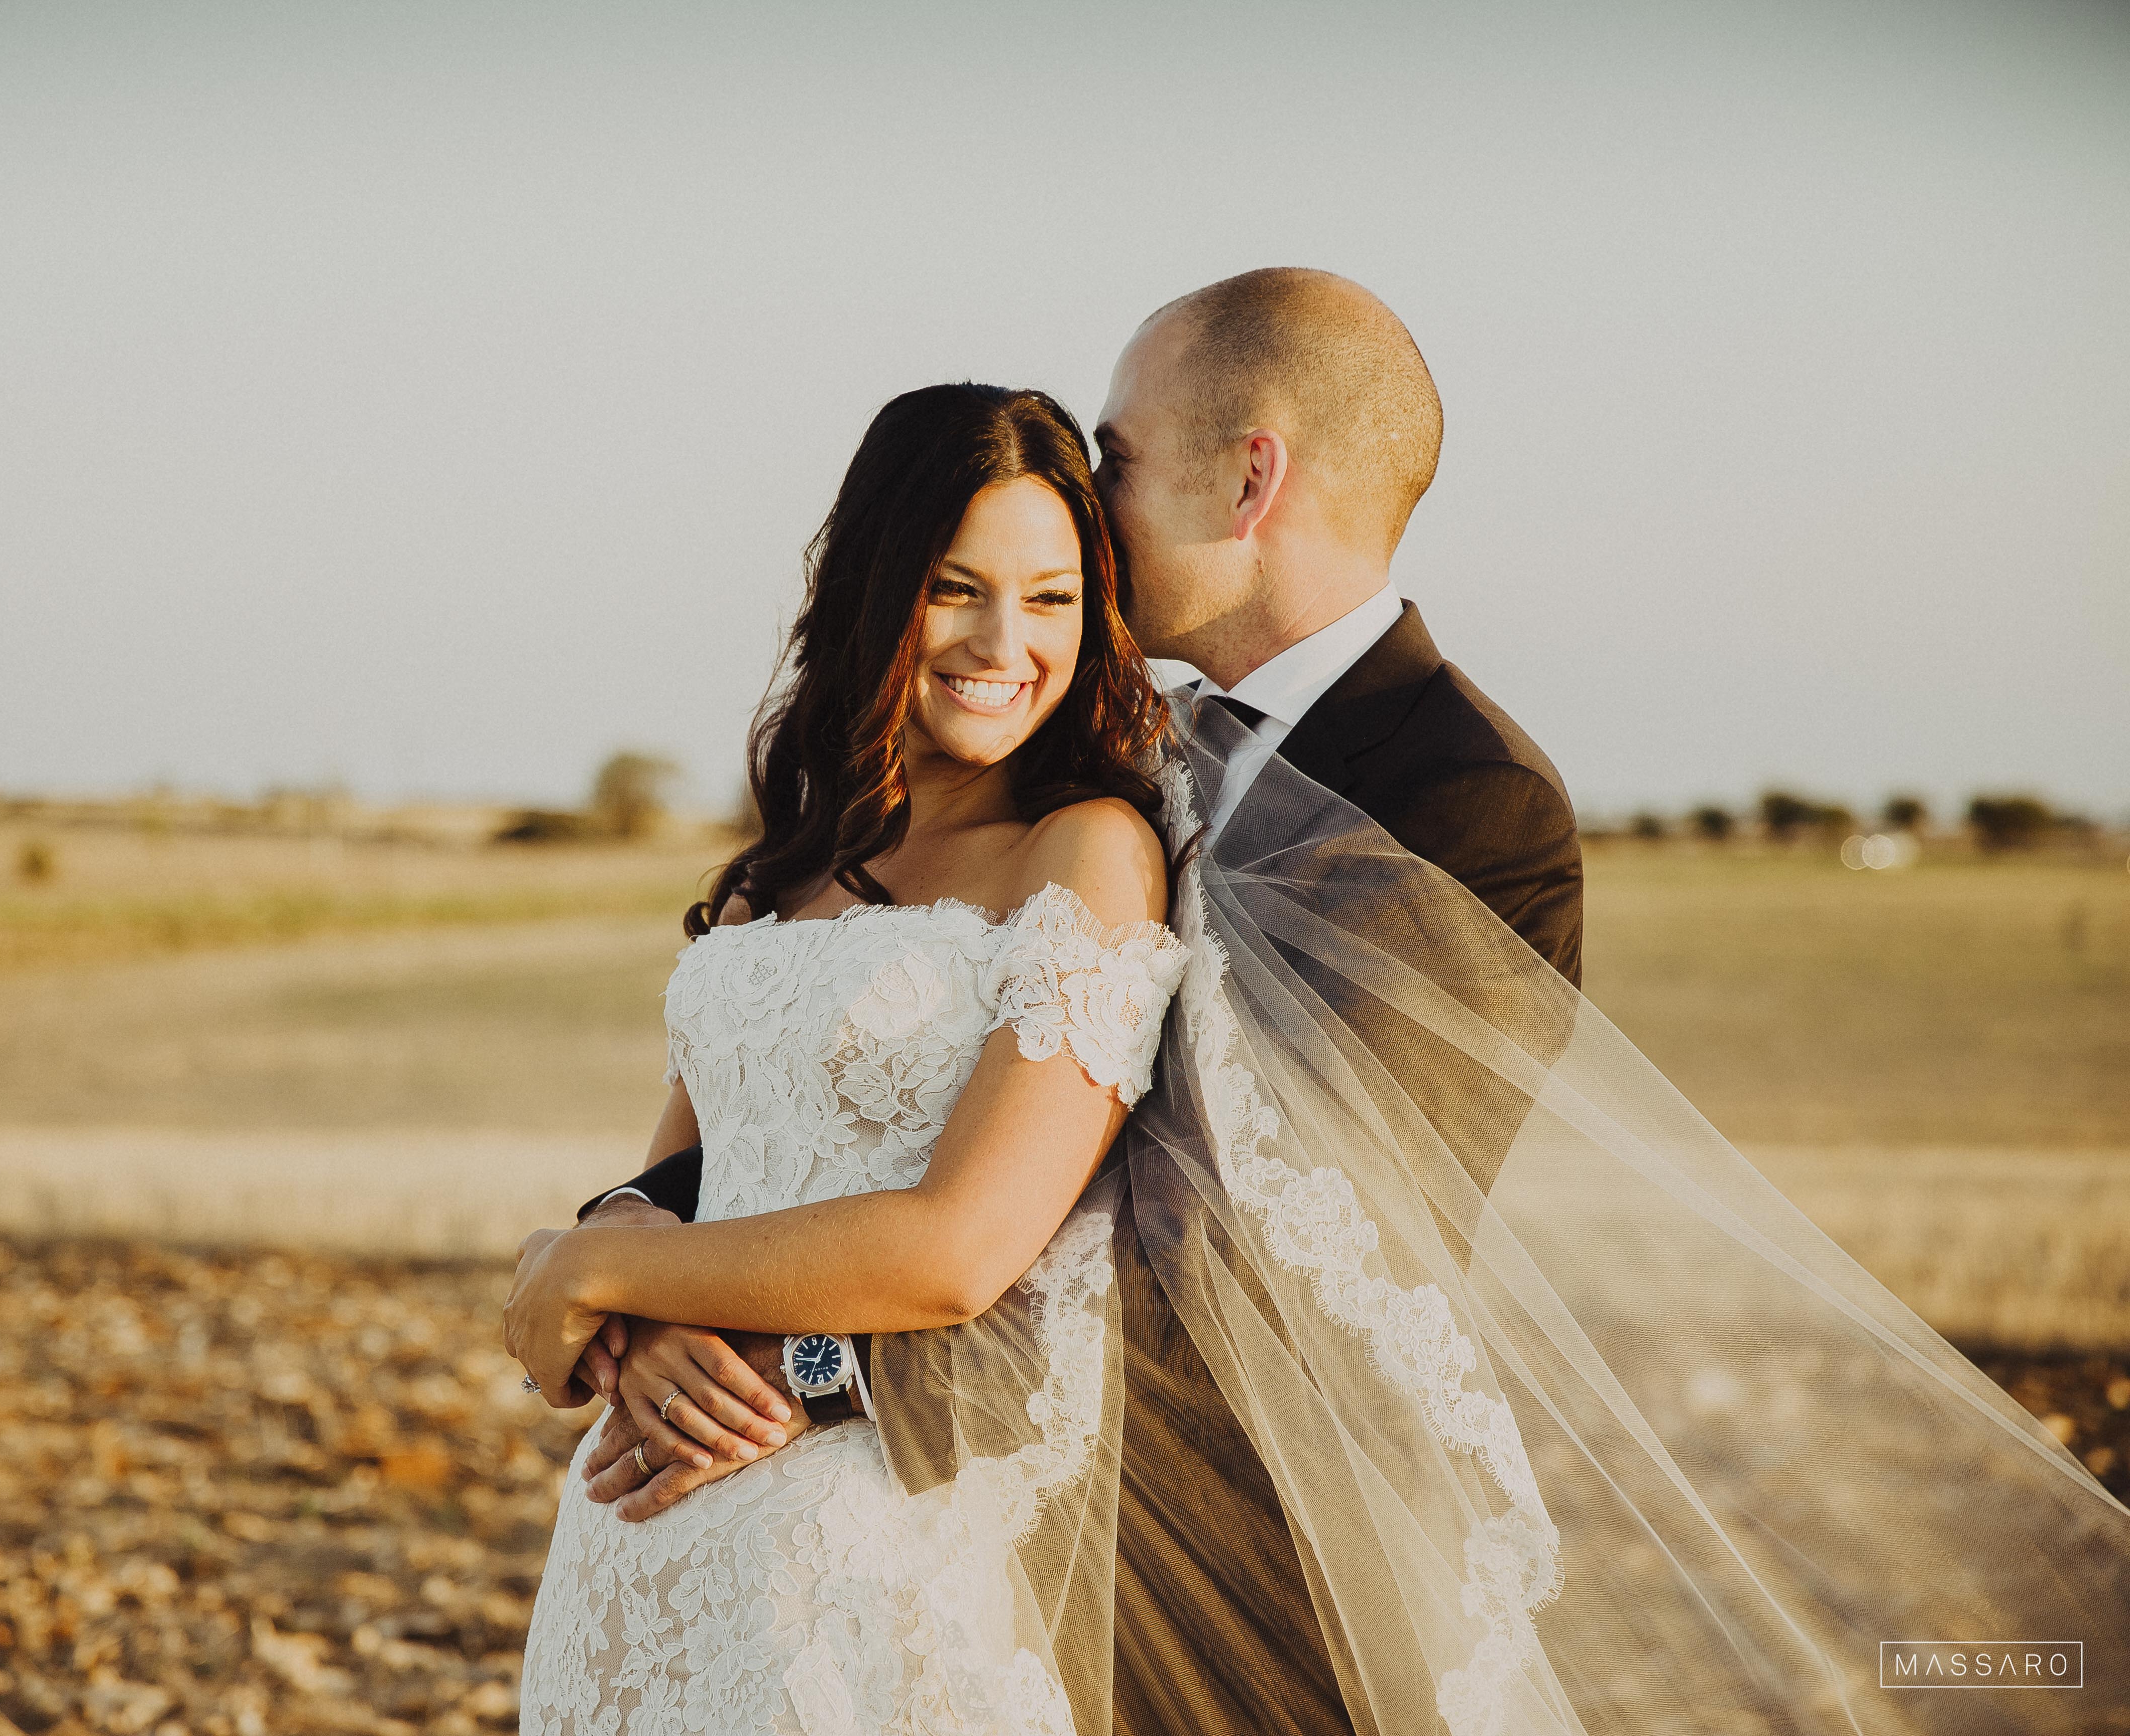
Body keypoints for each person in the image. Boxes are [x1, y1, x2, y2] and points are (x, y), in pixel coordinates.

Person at [527, 271, 2130, 1734]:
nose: (1089, 510)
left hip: (1222, 1533)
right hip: (855, 1476)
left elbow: (1222, 1232)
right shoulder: (1110, 752)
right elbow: (806, 1087)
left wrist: (797, 1364)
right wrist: (644, 1254)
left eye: (1119, 458)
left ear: (1251, 477)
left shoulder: (1465, 797)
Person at [508, 381, 1192, 1734]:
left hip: (877, 1562)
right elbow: (682, 1187)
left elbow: (956, 1251)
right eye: (958, 589)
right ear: (880, 588)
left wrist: (589, 1266)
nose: (1006, 642)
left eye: (1053, 600)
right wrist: (632, 1332)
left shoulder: (1084, 855)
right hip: (642, 1549)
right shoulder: (791, 866)